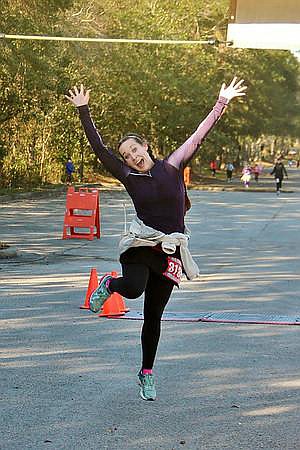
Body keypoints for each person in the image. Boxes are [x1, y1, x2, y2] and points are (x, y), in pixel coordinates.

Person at [66, 77, 247, 401]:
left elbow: (198, 135)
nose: (131, 156)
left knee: (153, 317)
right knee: (133, 289)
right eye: (126, 155)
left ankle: (146, 373)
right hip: (141, 245)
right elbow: (99, 148)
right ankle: (109, 286)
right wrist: (84, 110)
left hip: (170, 251)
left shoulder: (173, 166)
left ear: (146, 145)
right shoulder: (128, 176)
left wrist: (222, 102)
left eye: (134, 149)